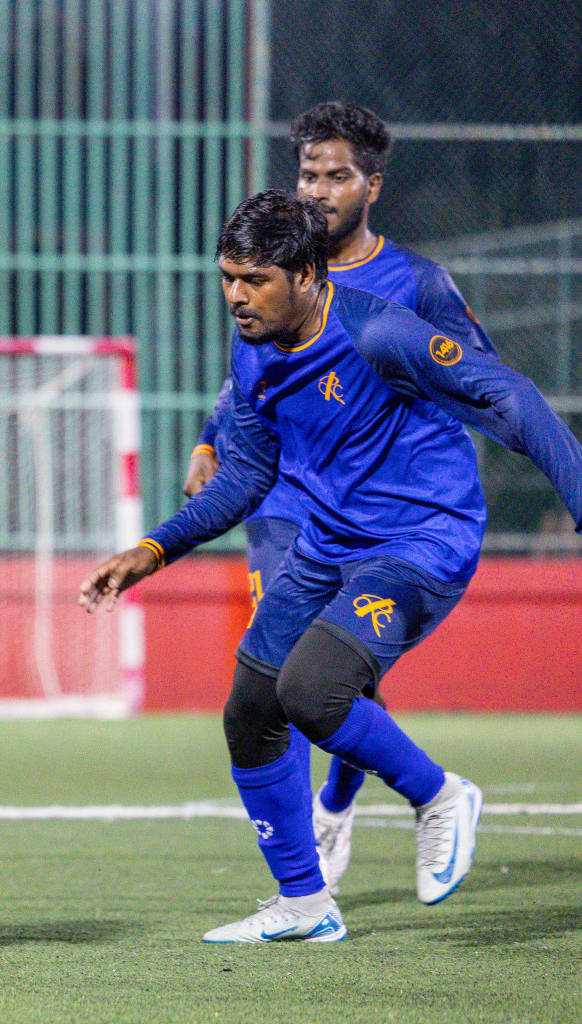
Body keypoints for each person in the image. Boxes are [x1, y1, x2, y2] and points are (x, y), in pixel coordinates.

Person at [81, 190, 582, 943]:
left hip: (421, 543)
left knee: (313, 691)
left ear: (308, 276)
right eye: (228, 277)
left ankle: (440, 795)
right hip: (328, 545)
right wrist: (152, 551)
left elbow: (509, 395)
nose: (236, 296)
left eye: (255, 280)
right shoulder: (253, 349)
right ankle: (305, 903)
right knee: (251, 711)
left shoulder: (380, 332)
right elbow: (247, 478)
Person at [182, 102, 499, 894]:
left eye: (336, 176)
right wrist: (211, 438)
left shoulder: (414, 284)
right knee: (276, 678)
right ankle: (304, 873)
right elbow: (252, 373)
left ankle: (339, 801)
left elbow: (475, 380)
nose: (318, 190)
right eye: (308, 174)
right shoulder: (273, 262)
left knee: (326, 672)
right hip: (283, 499)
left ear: (371, 186)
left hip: (370, 506)